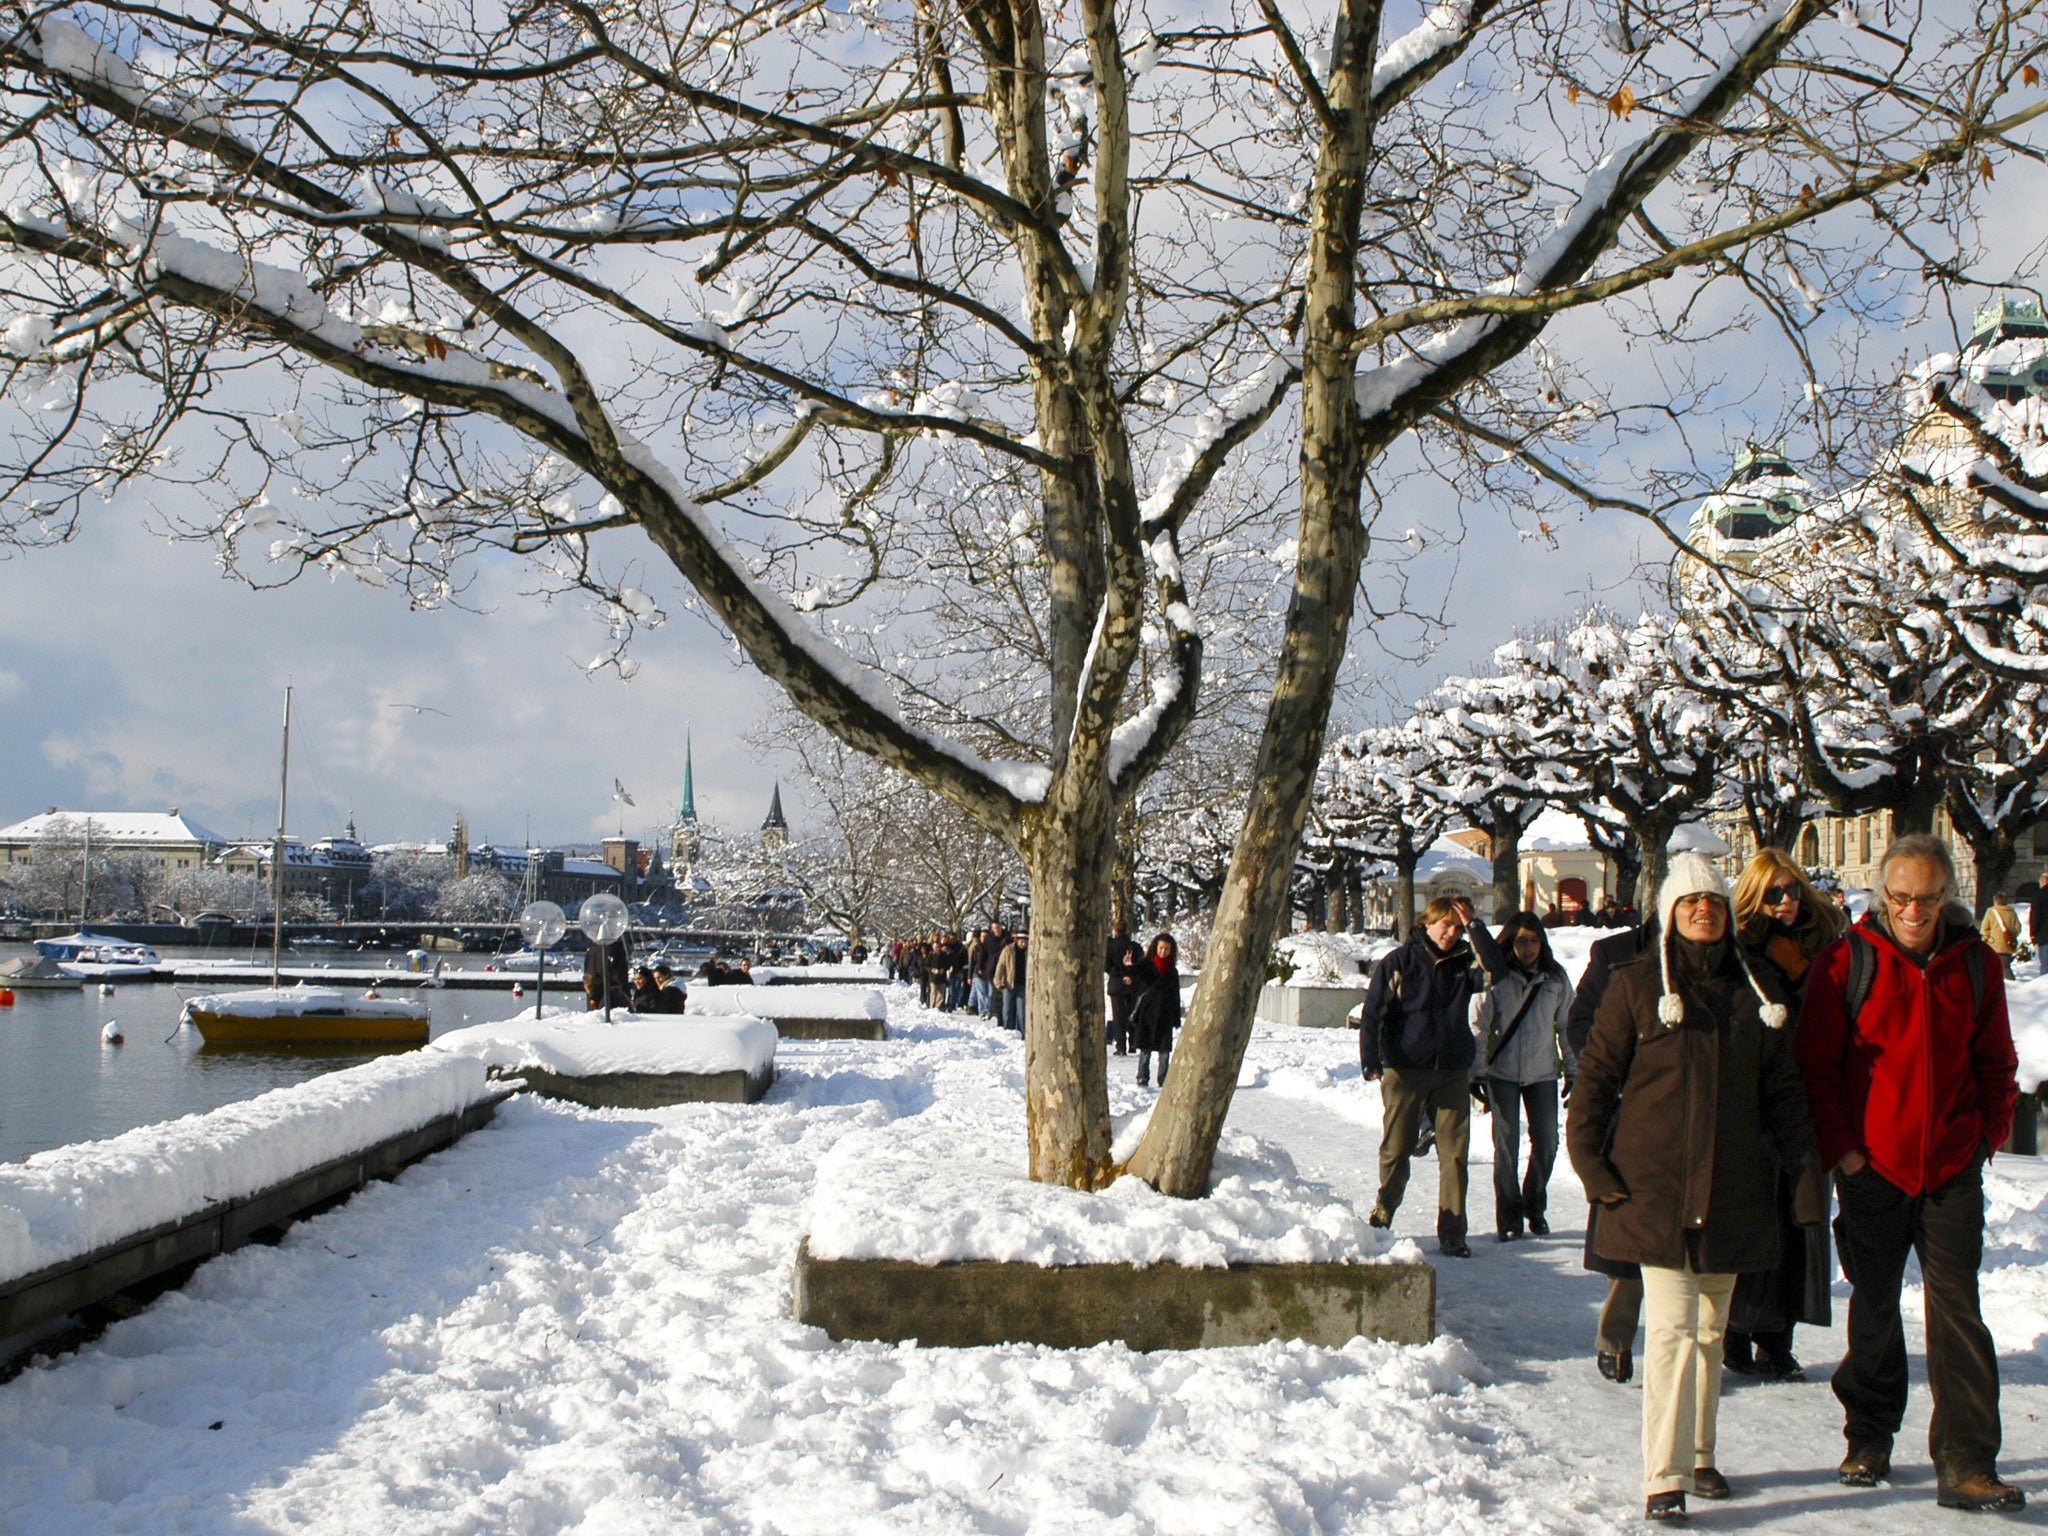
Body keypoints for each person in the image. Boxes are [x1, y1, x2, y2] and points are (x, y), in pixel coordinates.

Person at [1568, 852, 1823, 1523]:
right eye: (1689, 903)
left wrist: (1803, 1181)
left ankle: (1702, 1454)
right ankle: (1664, 1474)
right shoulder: (1633, 986)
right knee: (1676, 1329)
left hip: (1735, 1192)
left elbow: (1785, 1098)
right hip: (1654, 1192)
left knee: (1712, 1329)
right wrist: (1594, 1171)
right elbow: (1592, 1084)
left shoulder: (1756, 992)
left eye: (1711, 901)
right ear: (1670, 915)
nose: (1703, 911)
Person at [1794, 833, 2024, 1512]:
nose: (1913, 911)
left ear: (1946, 896)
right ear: (1881, 896)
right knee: (1874, 1307)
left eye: (1926, 898)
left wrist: (1986, 1137)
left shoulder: (1976, 966)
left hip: (1951, 1167)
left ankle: (1967, 1459)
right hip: (1874, 1168)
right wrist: (1847, 1154)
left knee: (1959, 1315)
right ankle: (1868, 1436)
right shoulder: (1846, 964)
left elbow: (1997, 1065)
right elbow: (1817, 1069)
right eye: (1899, 898)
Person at [1724, 848, 1844, 1383]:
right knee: (1751, 1214)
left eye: (1792, 890)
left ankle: (1779, 1338)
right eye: (1773, 893)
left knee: (1799, 1220)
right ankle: (1734, 1329)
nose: (1786, 902)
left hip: (1810, 1093)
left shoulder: (1827, 943)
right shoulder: (1739, 948)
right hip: (1755, 1096)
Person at [1358, 896, 1506, 1259]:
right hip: (1405, 1070)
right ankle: (1384, 1210)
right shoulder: (1400, 962)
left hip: (1452, 1070)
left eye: (1457, 927)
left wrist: (1475, 927)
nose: (1451, 933)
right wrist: (1371, 1060)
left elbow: (1497, 970)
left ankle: (1453, 1232)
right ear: (1427, 922)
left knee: (1454, 1154)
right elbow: (1373, 1013)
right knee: (1396, 1148)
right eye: (1446, 925)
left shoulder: (1464, 962)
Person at [1565, 907, 1658, 1384]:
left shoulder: (1726, 962)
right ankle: (1616, 1339)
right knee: (1628, 1251)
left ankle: (1682, 1357)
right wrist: (1616, 1066)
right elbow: (1579, 1023)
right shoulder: (1616, 954)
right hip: (1631, 1121)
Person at [1473, 913, 1575, 1242]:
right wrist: (1477, 1072)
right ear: (1510, 942)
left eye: (1534, 940)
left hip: (1542, 1072)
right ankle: (1509, 1215)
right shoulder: (1498, 979)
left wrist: (1573, 1070)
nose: (1528, 948)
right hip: (1502, 1073)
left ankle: (1534, 1204)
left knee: (1547, 1142)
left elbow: (1567, 1029)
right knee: (1506, 1146)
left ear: (1542, 943)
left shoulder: (1555, 980)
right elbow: (1480, 1025)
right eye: (1521, 941)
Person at [1130, 932, 1181, 1088]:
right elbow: (1133, 974)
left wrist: (1176, 1018)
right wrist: (1128, 967)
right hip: (1147, 1012)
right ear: (1155, 948)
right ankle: (1142, 1077)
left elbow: (1175, 995)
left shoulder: (1172, 971)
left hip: (1165, 1013)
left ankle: (1163, 1079)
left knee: (1164, 1051)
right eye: (1160, 948)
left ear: (1171, 951)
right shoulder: (1146, 965)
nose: (1163, 952)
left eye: (1166, 949)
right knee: (1145, 1049)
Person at [1105, 925, 1145, 1055]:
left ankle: (1120, 1046)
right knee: (1131, 1013)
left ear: (1115, 931)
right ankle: (1132, 1044)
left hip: (1116, 984)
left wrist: (1118, 973)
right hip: (1132, 985)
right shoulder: (1135, 947)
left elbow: (1106, 965)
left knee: (1118, 1015)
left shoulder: (1110, 947)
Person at [583, 935, 630, 1013]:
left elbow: (586, 976)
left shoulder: (590, 951)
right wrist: (626, 999)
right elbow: (620, 978)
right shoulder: (616, 950)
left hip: (593, 999)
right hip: (612, 1001)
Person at [993, 930, 1028, 1034]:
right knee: (1008, 1011)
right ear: (1017, 940)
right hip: (1009, 984)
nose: (1023, 944)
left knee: (1021, 1012)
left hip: (1023, 985)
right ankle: (1008, 1032)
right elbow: (1001, 966)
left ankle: (1022, 1034)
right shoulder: (1008, 950)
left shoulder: (1030, 952)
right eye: (1021, 941)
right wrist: (998, 981)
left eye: (1025, 942)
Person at [1983, 891, 2021, 979]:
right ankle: (2012, 984)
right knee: (2006, 967)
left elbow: (1985, 928)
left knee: (1994, 968)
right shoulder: (2011, 912)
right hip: (2008, 944)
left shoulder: (1991, 911)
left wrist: (1986, 938)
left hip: (1994, 945)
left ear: (1995, 900)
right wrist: (2011, 936)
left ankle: (2010, 986)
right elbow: (2018, 928)